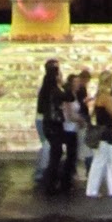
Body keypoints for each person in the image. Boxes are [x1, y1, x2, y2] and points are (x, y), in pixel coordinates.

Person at [85, 71, 112, 198]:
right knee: (101, 161)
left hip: (104, 132)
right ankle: (92, 190)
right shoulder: (106, 97)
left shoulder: (99, 96)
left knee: (111, 160)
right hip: (106, 132)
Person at [36, 58, 65, 193]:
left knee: (48, 146)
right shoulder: (53, 87)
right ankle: (43, 172)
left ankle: (43, 172)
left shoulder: (45, 85)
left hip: (44, 119)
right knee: (50, 147)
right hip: (49, 121)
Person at [60, 73, 82, 192]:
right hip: (68, 128)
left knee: (72, 155)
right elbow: (69, 115)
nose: (78, 84)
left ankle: (68, 179)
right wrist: (80, 119)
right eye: (76, 82)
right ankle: (66, 181)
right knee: (70, 155)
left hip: (73, 128)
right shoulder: (68, 96)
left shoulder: (75, 95)